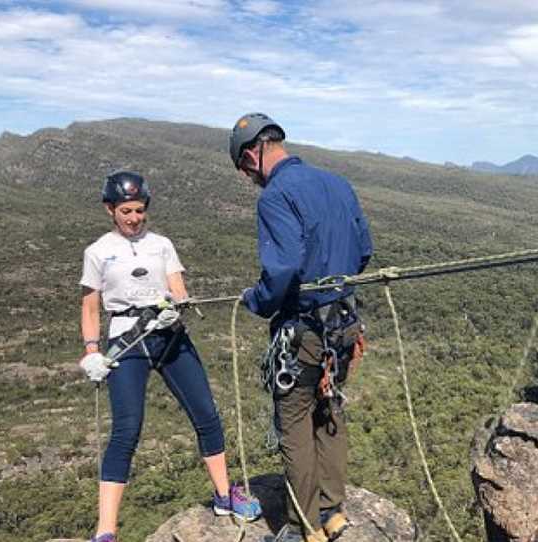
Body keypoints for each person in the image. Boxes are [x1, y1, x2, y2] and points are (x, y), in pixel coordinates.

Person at [78, 171, 261, 542]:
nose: (134, 218)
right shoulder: (97, 251)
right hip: (127, 341)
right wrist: (92, 352)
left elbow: (178, 288)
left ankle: (224, 496)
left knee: (207, 415)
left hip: (168, 334)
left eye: (140, 210)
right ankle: (106, 530)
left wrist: (176, 307)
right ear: (110, 209)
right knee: (127, 431)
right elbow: (91, 307)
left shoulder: (162, 244)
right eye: (126, 210)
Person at [229, 113, 374, 542]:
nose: (248, 178)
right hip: (344, 324)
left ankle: (302, 526)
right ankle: (333, 513)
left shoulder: (275, 196)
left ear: (252, 155)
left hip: (305, 330)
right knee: (329, 412)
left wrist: (255, 300)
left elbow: (283, 270)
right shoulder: (337, 184)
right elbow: (364, 250)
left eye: (243, 169)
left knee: (295, 424)